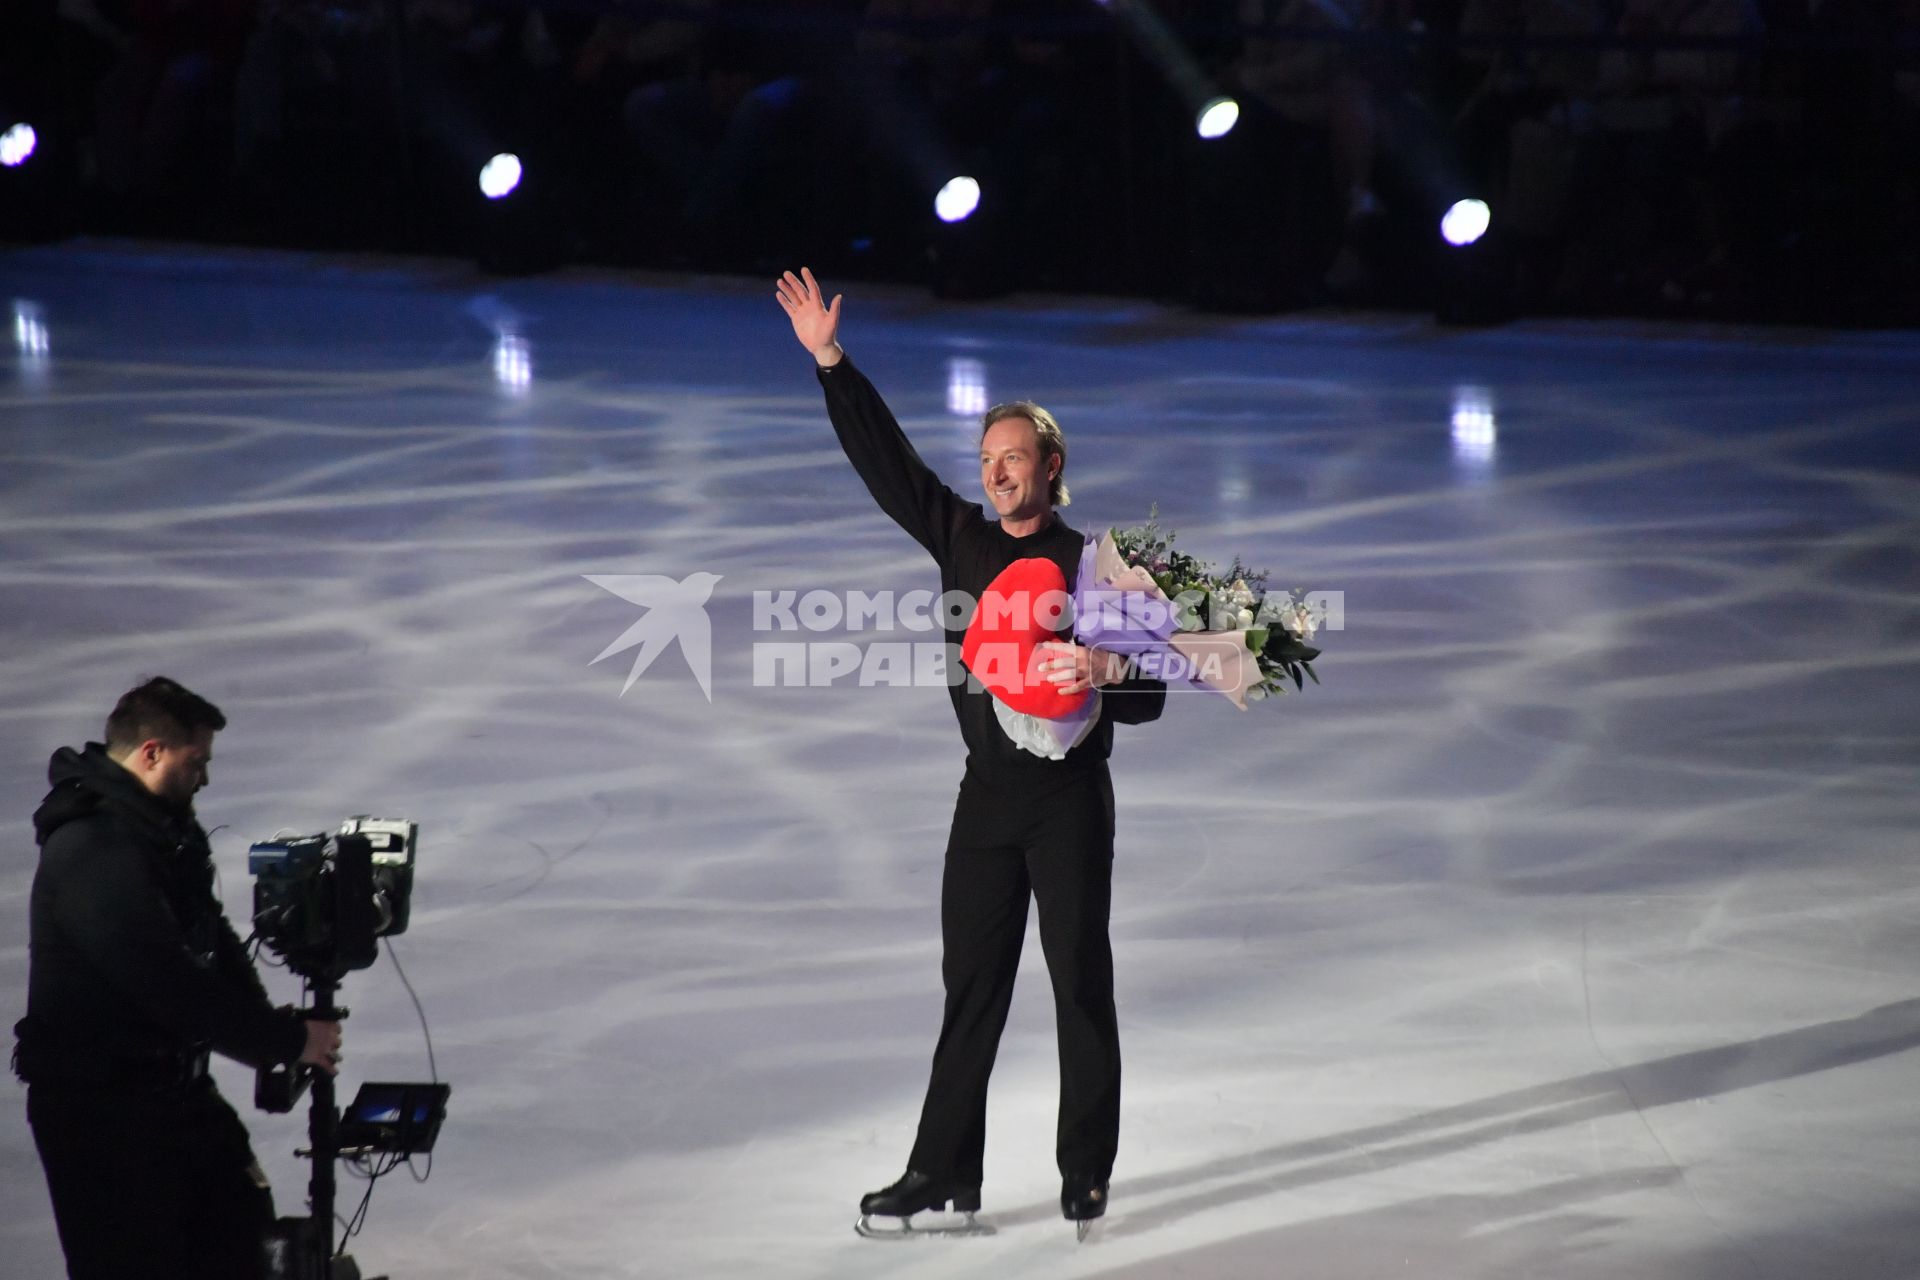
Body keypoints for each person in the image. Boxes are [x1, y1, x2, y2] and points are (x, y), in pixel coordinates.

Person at [775, 267, 1166, 1232]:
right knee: (970, 988)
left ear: (1051, 465)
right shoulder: (957, 535)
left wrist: (1110, 673)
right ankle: (943, 1169)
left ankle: (1085, 1170)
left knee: (1079, 979)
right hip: (986, 799)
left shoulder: (1095, 565)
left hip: (1070, 798)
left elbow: (1155, 694)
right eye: (987, 456)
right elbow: (889, 464)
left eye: (1013, 456)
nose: (995, 470)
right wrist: (831, 361)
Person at [13, 676, 343, 1280]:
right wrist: (285, 1044)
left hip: (172, 1095)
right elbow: (168, 985)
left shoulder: (162, 831)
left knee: (245, 1238)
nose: (207, 779)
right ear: (151, 753)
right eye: (198, 763)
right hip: (102, 1116)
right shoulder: (92, 849)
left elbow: (211, 936)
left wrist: (273, 1026)